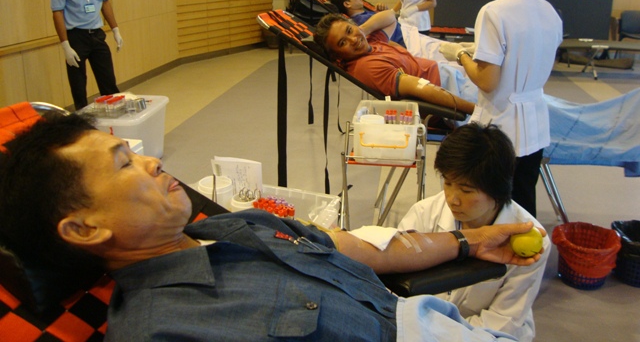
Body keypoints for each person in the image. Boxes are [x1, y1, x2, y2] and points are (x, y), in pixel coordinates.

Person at [0, 113, 546, 341]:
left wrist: (468, 240)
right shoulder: (161, 330)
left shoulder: (236, 226)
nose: (152, 161)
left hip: (425, 322)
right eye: (124, 163)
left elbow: (365, 249)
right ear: (85, 229)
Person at [438, 0, 563, 217]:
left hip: (501, 127)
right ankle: (527, 245)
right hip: (535, 123)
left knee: (494, 205)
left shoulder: (494, 11)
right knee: (524, 199)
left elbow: (488, 81)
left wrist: (461, 55)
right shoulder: (550, 12)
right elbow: (533, 58)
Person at [398, 123, 550, 342]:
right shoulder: (424, 214)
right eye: (447, 183)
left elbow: (503, 319)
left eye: (466, 190)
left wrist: (440, 334)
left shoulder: (532, 241)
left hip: (487, 333)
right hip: (422, 323)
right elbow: (396, 284)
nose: (452, 199)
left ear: (497, 191)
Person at [314, 13, 478, 116]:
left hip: (449, 76)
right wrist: (474, 109)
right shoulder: (367, 67)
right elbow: (420, 87)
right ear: (337, 57)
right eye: (343, 43)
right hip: (450, 88)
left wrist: (363, 30)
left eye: (349, 30)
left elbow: (390, 17)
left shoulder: (370, 43)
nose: (353, 40)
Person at [49, 0, 123, 110]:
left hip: (96, 34)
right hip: (76, 37)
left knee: (108, 81)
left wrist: (115, 29)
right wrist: (65, 46)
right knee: (78, 86)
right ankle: (82, 120)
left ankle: (115, 116)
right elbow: (57, 12)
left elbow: (105, 1)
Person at [330, 0, 406, 47]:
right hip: (405, 42)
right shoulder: (361, 21)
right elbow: (383, 41)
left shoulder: (366, 14)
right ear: (347, 4)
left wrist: (384, 12)